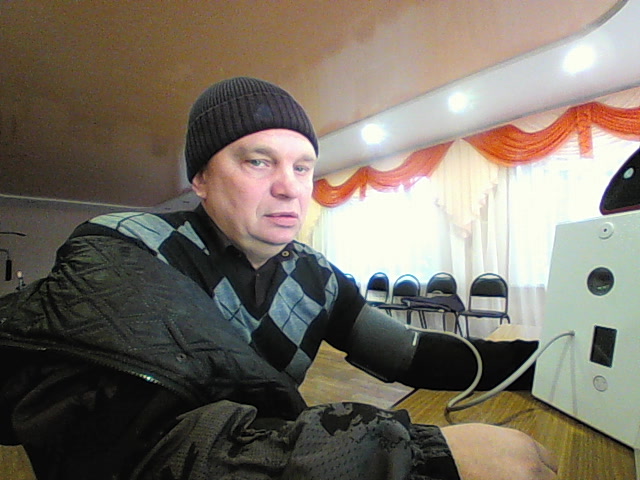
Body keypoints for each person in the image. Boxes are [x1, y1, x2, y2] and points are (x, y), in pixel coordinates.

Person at [0, 77, 557, 480]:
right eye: (258, 161)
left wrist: (545, 363)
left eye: (303, 166)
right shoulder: (128, 247)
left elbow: (410, 354)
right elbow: (149, 454)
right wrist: (420, 458)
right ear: (200, 178)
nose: (291, 187)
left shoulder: (318, 277)